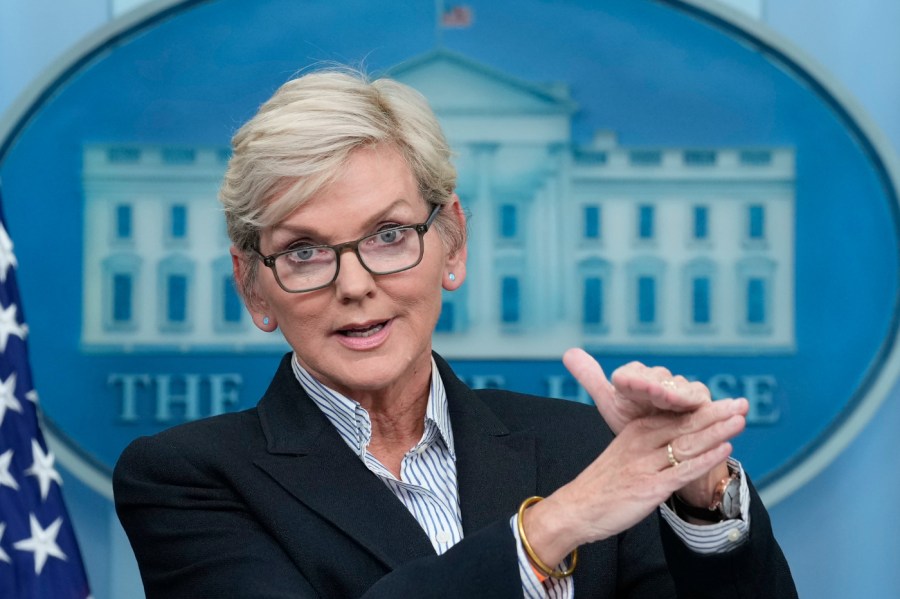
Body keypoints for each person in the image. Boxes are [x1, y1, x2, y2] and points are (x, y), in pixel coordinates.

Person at [113, 68, 798, 598]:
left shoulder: (588, 450)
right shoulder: (184, 477)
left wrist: (700, 501)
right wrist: (547, 529)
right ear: (253, 286)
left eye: (388, 235)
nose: (354, 284)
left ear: (454, 243)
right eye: (303, 251)